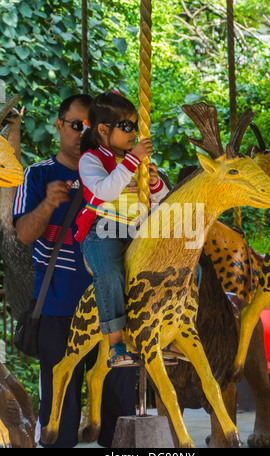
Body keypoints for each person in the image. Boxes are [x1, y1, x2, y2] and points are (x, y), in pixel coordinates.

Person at [12, 94, 136, 448]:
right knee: (58, 417)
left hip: (113, 312)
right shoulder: (38, 174)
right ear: (59, 125)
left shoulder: (120, 174)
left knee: (120, 419)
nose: (82, 133)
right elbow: (23, 234)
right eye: (75, 125)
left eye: (90, 126)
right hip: (59, 308)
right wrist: (50, 203)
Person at [75, 91, 169, 366]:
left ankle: (168, 329)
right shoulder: (91, 160)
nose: (133, 133)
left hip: (137, 226)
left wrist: (153, 183)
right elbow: (105, 191)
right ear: (103, 130)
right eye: (126, 126)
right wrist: (132, 161)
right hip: (102, 229)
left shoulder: (135, 159)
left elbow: (161, 200)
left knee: (178, 260)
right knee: (110, 271)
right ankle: (115, 342)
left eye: (135, 126)